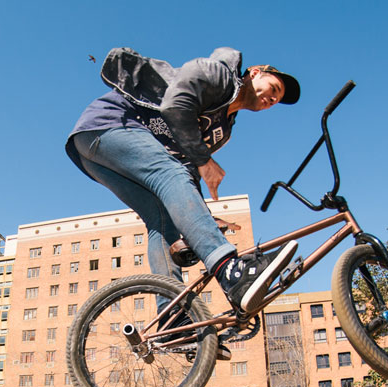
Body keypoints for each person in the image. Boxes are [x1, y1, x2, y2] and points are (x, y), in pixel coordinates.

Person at [66, 47, 302, 348]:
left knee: (162, 222)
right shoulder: (220, 76)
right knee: (170, 173)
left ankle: (172, 320)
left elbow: (186, 171)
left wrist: (201, 215)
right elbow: (176, 105)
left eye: (277, 100)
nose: (273, 98)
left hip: (95, 155)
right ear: (255, 73)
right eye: (275, 88)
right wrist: (205, 161)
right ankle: (231, 272)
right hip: (111, 124)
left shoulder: (223, 130)